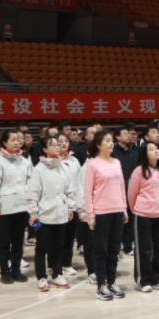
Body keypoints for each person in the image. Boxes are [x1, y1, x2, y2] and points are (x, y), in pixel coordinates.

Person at [81, 129, 127, 300]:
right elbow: (88, 192)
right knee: (102, 250)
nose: (111, 143)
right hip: (101, 212)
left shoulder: (116, 162)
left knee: (114, 250)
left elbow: (121, 186)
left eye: (111, 140)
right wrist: (90, 214)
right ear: (99, 144)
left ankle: (111, 282)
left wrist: (124, 208)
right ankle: (101, 285)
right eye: (107, 140)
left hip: (117, 210)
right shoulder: (92, 164)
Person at [28, 136, 76, 293]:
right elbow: (33, 193)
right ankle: (41, 277)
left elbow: (70, 190)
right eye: (52, 144)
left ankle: (57, 274)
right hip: (44, 214)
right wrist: (33, 212)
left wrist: (70, 207)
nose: (57, 146)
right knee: (42, 247)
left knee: (58, 246)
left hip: (61, 213)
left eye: (58, 144)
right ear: (44, 149)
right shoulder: (39, 169)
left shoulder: (64, 167)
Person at [0, 129, 32, 284]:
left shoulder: (25, 160)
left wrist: (31, 203)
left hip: (22, 206)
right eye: (12, 140)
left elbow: (31, 183)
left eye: (18, 139)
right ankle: (4, 271)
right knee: (4, 241)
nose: (16, 142)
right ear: (4, 143)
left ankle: (16, 270)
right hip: (6, 207)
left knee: (18, 241)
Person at [128, 141, 159, 292]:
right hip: (143, 214)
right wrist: (135, 210)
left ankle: (157, 278)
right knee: (143, 249)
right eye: (151, 149)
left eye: (156, 148)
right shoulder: (138, 171)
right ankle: (143, 280)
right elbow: (131, 194)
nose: (156, 151)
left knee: (158, 249)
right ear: (145, 154)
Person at [57, 134, 84, 277]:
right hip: (55, 205)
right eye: (60, 141)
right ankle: (55, 265)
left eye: (66, 141)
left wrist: (79, 203)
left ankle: (67, 264)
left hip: (72, 204)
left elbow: (79, 183)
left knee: (69, 236)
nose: (63, 144)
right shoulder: (49, 161)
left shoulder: (74, 161)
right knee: (56, 238)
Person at [112, 125, 138, 258]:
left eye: (129, 134)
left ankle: (128, 246)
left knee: (131, 219)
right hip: (116, 190)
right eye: (125, 134)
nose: (128, 136)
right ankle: (118, 246)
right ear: (117, 137)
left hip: (131, 189)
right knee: (119, 220)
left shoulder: (133, 153)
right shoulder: (113, 153)